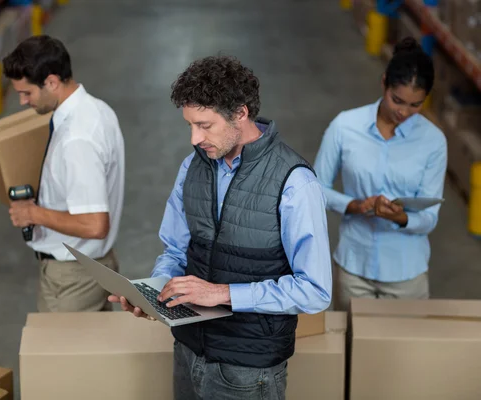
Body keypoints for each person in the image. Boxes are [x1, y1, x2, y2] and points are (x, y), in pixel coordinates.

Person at [109, 55, 332, 400]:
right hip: (188, 352)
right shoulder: (193, 167)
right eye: (190, 125)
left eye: (205, 125)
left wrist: (223, 294)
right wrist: (155, 294)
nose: (194, 139)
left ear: (240, 114)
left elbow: (315, 290)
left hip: (248, 370)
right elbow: (175, 249)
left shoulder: (294, 183)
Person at [313, 37, 447, 312]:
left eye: (415, 105)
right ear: (384, 82)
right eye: (397, 100)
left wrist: (400, 217)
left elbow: (429, 217)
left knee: (401, 354)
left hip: (406, 276)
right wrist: (355, 205)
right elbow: (315, 188)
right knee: (351, 351)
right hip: (354, 270)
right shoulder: (345, 126)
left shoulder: (433, 141)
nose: (403, 111)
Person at [3, 35, 125, 313]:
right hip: (95, 266)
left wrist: (32, 214)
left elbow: (95, 225)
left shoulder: (76, 139)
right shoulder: (97, 109)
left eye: (27, 93)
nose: (22, 101)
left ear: (52, 82)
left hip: (72, 280)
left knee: (60, 356)